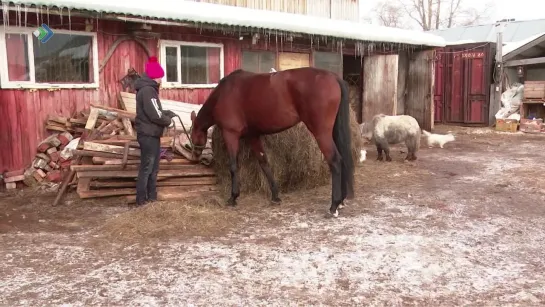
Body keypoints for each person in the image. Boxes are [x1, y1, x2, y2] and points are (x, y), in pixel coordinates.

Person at [134, 56, 176, 206]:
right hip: (148, 135)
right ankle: (141, 200)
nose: (161, 80)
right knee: (147, 168)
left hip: (152, 134)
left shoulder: (148, 90)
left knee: (153, 168)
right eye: (160, 77)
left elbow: (155, 111)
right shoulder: (148, 90)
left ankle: (151, 198)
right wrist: (167, 120)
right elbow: (154, 114)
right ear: (154, 76)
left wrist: (166, 112)